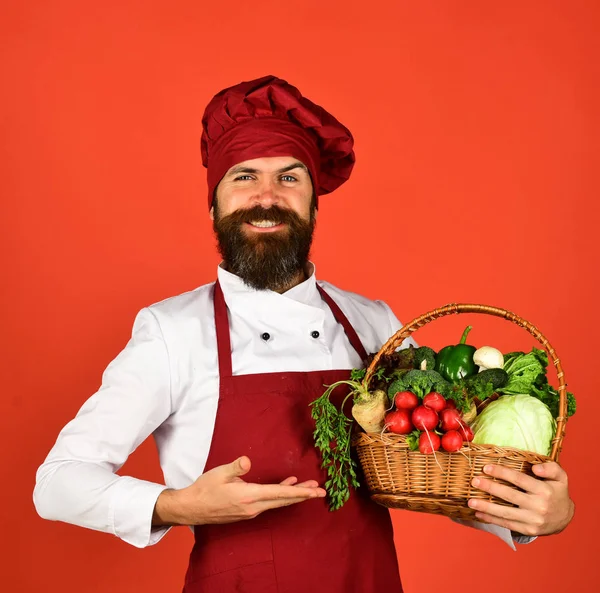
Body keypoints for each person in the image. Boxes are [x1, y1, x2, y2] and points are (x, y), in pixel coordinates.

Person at [34, 75, 574, 592]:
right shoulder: (174, 331)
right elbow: (57, 482)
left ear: (314, 203)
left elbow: (439, 463)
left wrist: (532, 515)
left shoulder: (372, 322)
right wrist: (174, 505)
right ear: (213, 202)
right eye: (243, 176)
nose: (267, 196)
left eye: (289, 177)